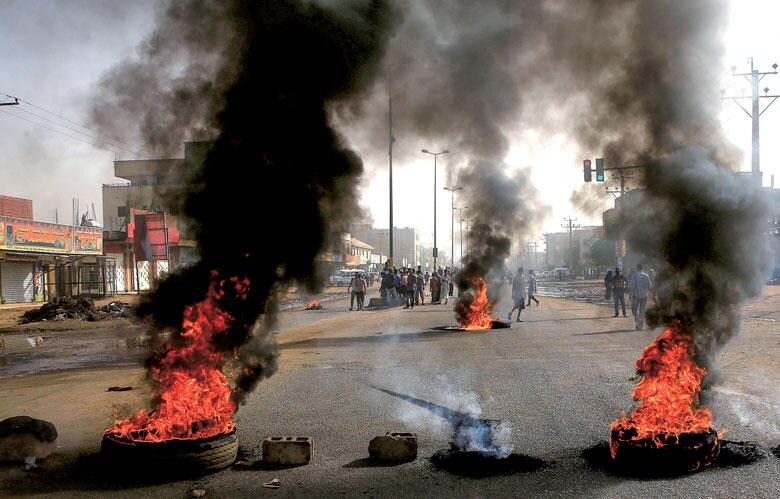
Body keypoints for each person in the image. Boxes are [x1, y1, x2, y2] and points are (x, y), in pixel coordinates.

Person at [629, 264, 652, 330]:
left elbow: (632, 286)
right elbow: (649, 286)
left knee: (634, 309)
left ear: (637, 268)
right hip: (644, 295)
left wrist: (630, 294)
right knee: (642, 310)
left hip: (636, 295)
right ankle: (640, 323)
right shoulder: (646, 275)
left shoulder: (635, 276)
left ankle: (637, 320)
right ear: (642, 268)